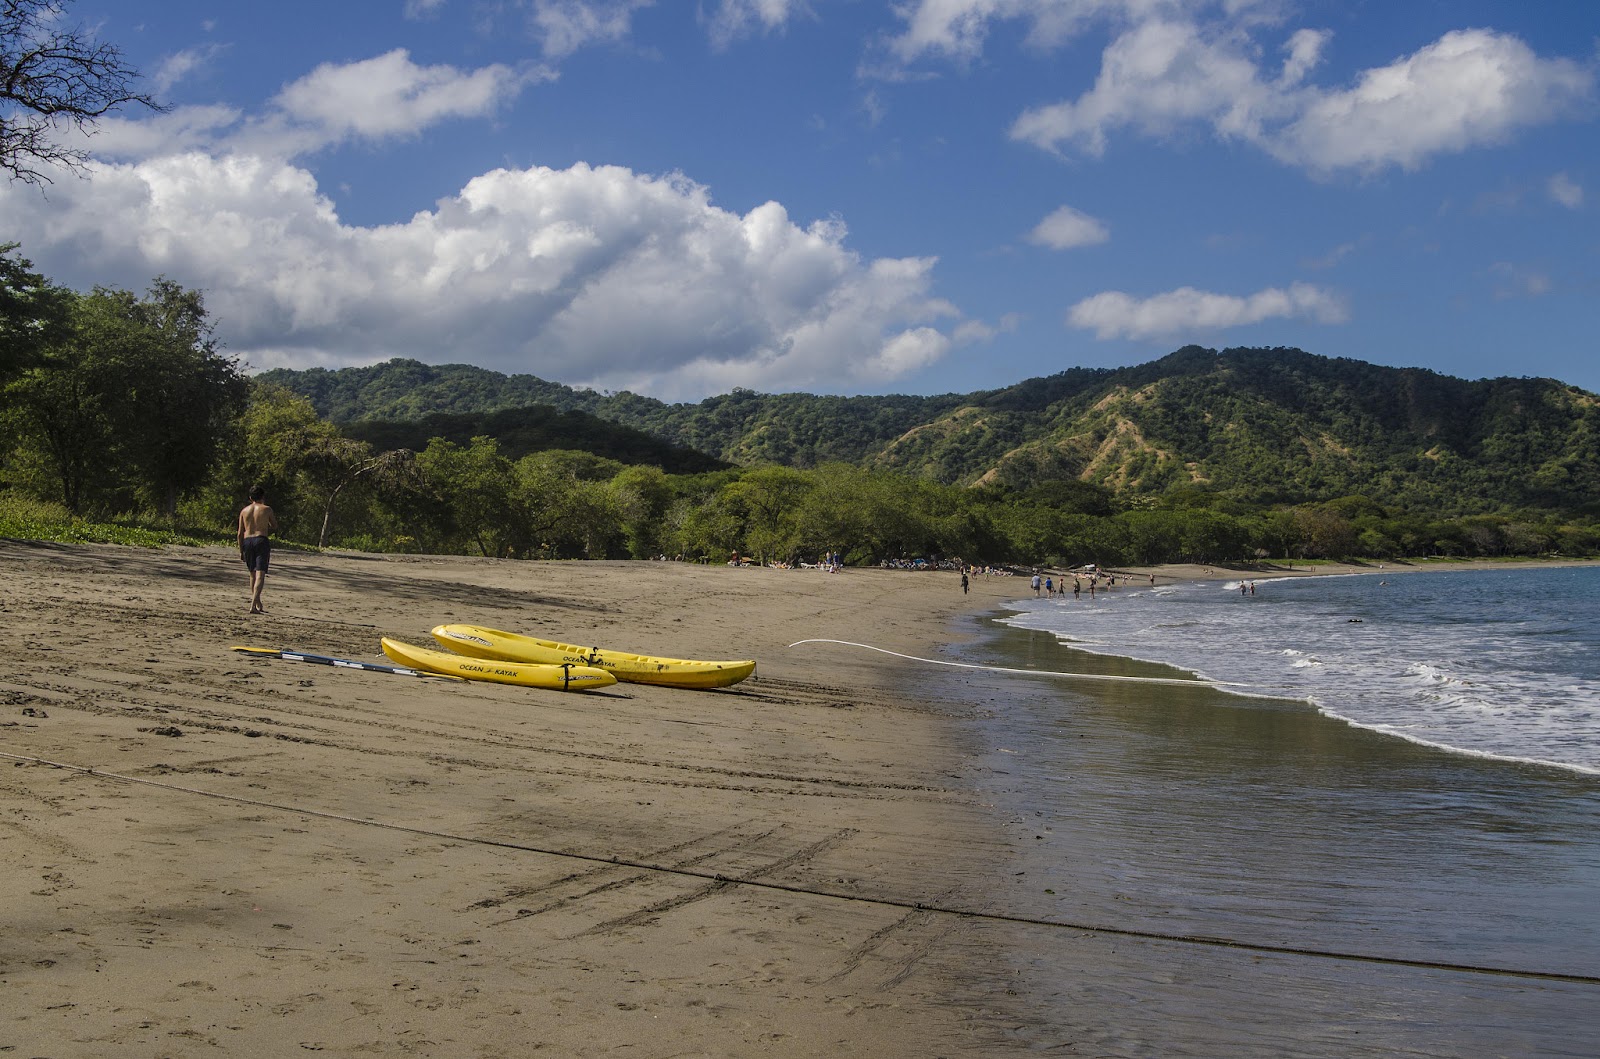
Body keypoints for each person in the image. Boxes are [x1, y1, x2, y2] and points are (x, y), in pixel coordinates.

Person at [237, 486, 278, 614]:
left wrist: (241, 550)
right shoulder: (266, 509)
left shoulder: (244, 511)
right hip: (261, 540)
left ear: (250, 498)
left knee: (252, 574)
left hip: (247, 541)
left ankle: (257, 602)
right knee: (260, 574)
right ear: (263, 497)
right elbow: (274, 526)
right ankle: (253, 604)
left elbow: (239, 533)